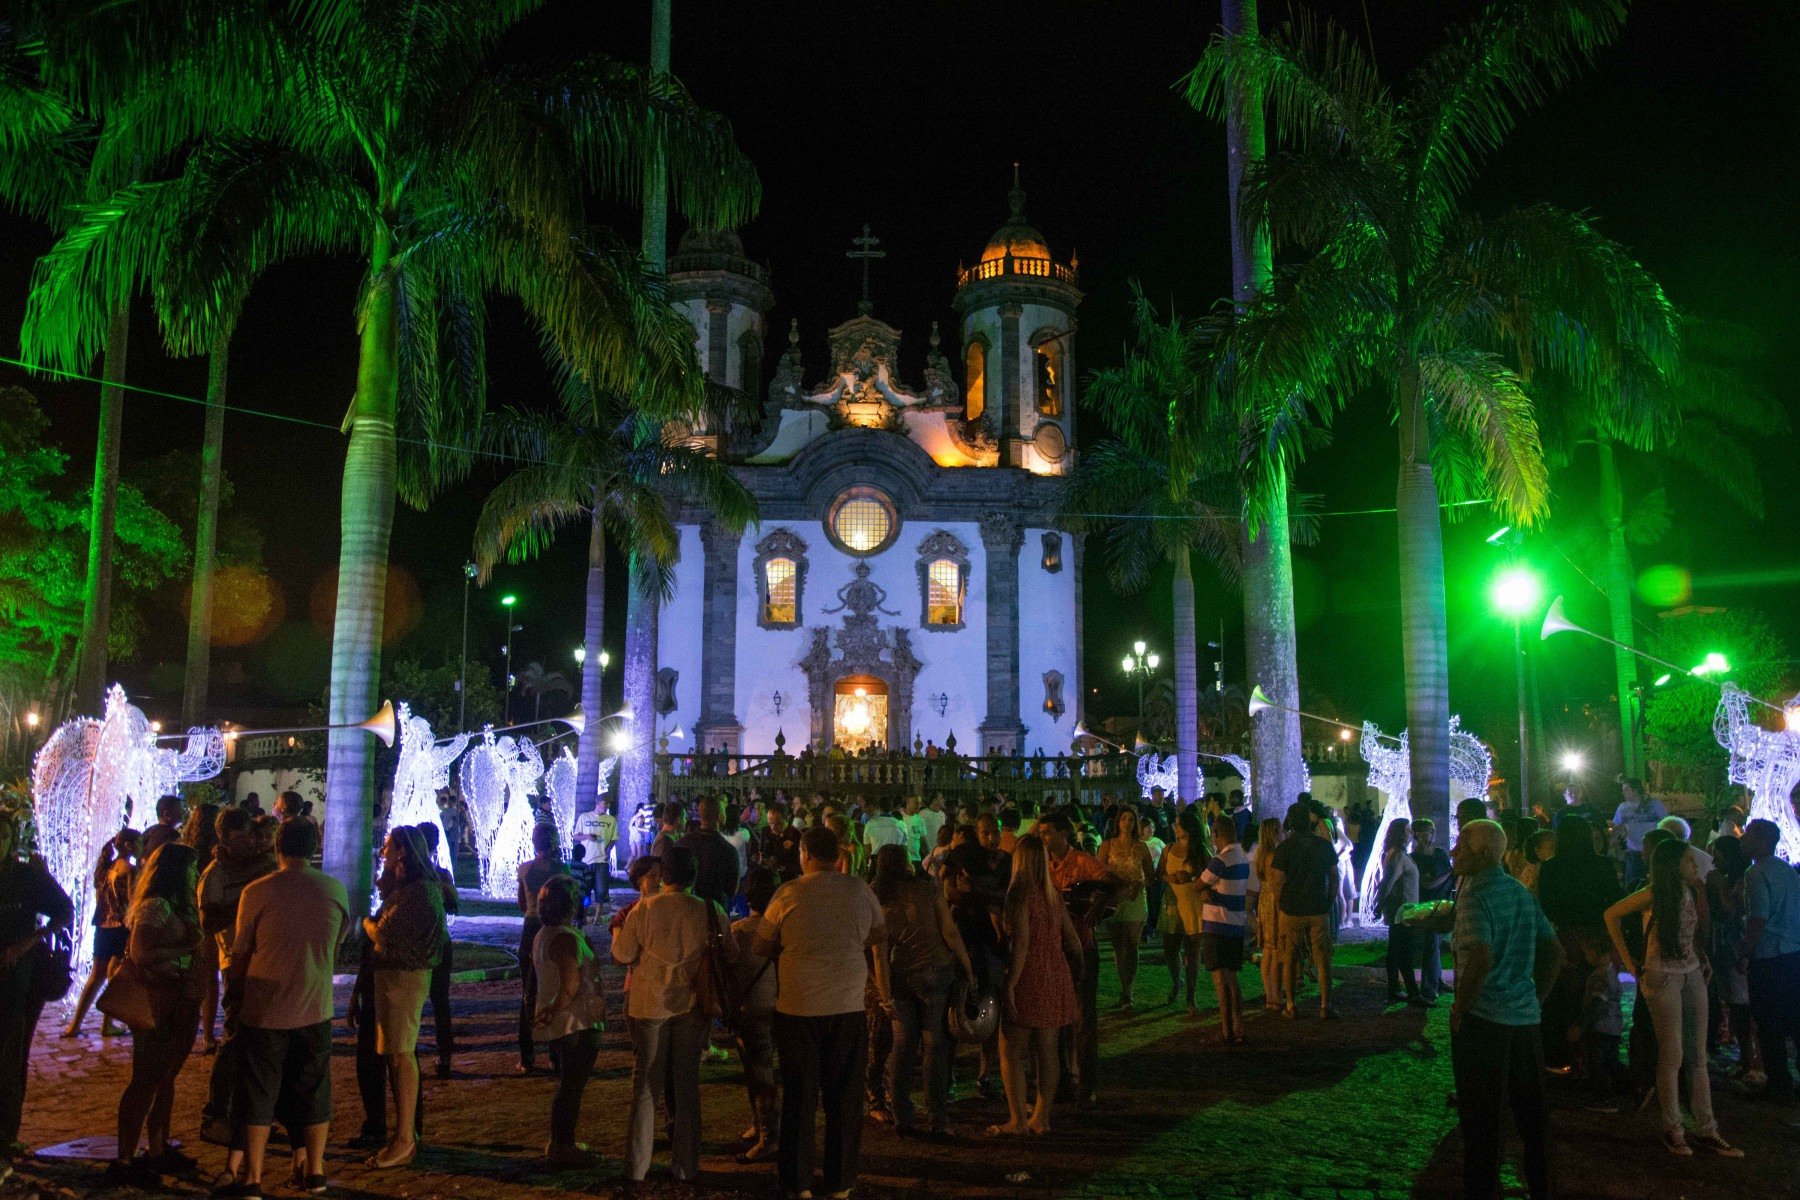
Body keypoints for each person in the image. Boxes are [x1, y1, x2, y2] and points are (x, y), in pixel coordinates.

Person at [219, 817, 350, 1199]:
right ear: (314, 847)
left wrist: (235, 991)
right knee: (312, 1088)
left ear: (278, 847)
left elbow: (241, 952)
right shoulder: (334, 891)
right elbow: (337, 943)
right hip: (314, 1004)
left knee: (258, 1090)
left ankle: (254, 1175)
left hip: (265, 1007)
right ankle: (315, 1169)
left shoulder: (258, 892)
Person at [753, 825, 887, 1200]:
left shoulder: (789, 892)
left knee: (799, 1097)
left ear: (805, 853)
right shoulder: (859, 890)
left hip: (798, 1007)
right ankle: (841, 1181)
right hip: (846, 1006)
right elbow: (878, 934)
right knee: (844, 1099)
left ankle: (798, 1183)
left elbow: (762, 945)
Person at [1604, 837, 1742, 1157]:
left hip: (1691, 972)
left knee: (1695, 1054)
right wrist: (1628, 961)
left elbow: (1688, 931)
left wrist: (1700, 956)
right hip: (1662, 975)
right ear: (1672, 865)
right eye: (1688, 861)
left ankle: (1706, 1129)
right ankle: (1673, 1128)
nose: (1695, 866)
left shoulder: (1691, 890)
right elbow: (1611, 914)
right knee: (1674, 1053)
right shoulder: (1654, 894)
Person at [1448, 820, 1564, 1200]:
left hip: (1485, 1022)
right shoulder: (1520, 892)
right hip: (1525, 1020)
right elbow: (1554, 950)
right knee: (1533, 1123)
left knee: (1482, 1124)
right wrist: (1537, 1000)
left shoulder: (1473, 895)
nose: (1454, 852)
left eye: (1461, 846)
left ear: (1482, 853)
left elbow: (1479, 957)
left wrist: (1460, 1007)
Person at [612, 844, 729, 1182]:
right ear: (695, 875)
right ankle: (686, 1165)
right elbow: (730, 954)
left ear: (664, 874)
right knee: (686, 1086)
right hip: (692, 1006)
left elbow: (621, 954)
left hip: (649, 1003)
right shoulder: (710, 910)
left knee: (646, 1086)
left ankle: (637, 1166)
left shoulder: (644, 910)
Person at [107, 843, 205, 1187]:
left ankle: (158, 1148)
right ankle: (125, 1158)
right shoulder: (155, 906)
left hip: (175, 996)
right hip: (155, 999)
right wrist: (185, 948)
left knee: (165, 1077)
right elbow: (141, 952)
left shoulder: (175, 906)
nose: (195, 875)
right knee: (146, 1078)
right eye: (191, 870)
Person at [871, 845, 975, 1139]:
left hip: (900, 975)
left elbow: (879, 953)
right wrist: (966, 967)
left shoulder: (878, 898)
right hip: (935, 972)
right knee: (934, 1045)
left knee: (902, 1046)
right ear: (905, 864)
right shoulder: (928, 889)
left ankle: (902, 1117)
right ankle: (938, 1119)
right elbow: (950, 933)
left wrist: (884, 993)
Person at [359, 826, 445, 1169]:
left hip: (404, 978)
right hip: (393, 975)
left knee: (400, 1054)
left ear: (404, 852)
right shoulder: (410, 889)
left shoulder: (420, 891)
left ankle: (405, 1136)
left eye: (389, 846)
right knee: (395, 1054)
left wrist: (366, 924)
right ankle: (403, 1134)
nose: (383, 852)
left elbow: (384, 931)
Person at [198, 806, 281, 1146]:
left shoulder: (256, 866)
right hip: (235, 962)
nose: (249, 842)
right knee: (232, 1043)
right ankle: (215, 1116)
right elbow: (208, 922)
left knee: (256, 1047)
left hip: (262, 960)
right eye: (241, 837)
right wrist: (248, 898)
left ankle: (250, 1117)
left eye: (251, 836)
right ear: (225, 840)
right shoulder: (216, 874)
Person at [0, 817, 73, 1187]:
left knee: (10, 1058)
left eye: (3, 835)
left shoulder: (26, 877)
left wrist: (32, 938)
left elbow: (64, 910)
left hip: (17, 983)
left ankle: (5, 1138)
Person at [992, 834, 1081, 1137]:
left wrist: (1011, 986)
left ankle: (1017, 1118)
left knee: (1010, 1049)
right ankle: (1042, 1116)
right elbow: (1073, 940)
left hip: (1031, 972)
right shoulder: (1052, 892)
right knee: (1048, 1050)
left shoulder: (1019, 893)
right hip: (1055, 970)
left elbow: (1022, 946)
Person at [532, 876, 605, 1168]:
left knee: (568, 1084)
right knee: (571, 1086)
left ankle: (561, 1140)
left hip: (566, 1022)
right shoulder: (564, 938)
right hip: (575, 1022)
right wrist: (555, 1007)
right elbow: (571, 982)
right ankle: (564, 1144)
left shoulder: (544, 934)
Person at [1039, 811, 1107, 1104]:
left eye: (1048, 833)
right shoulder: (1041, 865)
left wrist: (1099, 906)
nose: (1043, 838)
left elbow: (1114, 884)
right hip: (1052, 949)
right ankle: (1062, 1080)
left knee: (1083, 1018)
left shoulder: (1083, 863)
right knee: (1056, 1017)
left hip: (1081, 947)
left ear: (1063, 834)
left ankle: (1087, 1084)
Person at [1740, 817, 1800, 1102]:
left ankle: (1778, 1083)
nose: (1743, 840)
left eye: (1749, 835)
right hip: (1793, 953)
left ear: (1761, 841)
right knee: (1794, 1018)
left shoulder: (1755, 874)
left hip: (1768, 956)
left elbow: (1758, 918)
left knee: (1769, 1022)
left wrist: (1745, 952)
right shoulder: (1788, 870)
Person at [64, 828, 139, 1037]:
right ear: (129, 846)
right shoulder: (130, 870)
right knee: (114, 976)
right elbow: (132, 901)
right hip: (120, 927)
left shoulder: (105, 868)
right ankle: (107, 1023)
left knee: (96, 976)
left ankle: (75, 1023)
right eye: (138, 843)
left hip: (102, 927)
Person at [1270, 798, 1340, 1020]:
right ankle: (1324, 1005)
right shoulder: (1323, 845)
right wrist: (1329, 901)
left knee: (1289, 958)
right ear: (1309, 820)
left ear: (1290, 822)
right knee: (1322, 958)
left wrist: (1281, 904)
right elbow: (1334, 876)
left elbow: (1277, 881)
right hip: (1318, 907)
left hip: (1292, 909)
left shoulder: (1285, 848)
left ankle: (1290, 1005)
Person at [730, 867, 782, 1164]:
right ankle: (762, 1126)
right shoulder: (782, 929)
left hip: (750, 1010)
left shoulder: (738, 932)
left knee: (758, 1073)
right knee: (761, 1072)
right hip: (779, 1004)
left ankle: (768, 1137)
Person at [516, 823, 571, 1074]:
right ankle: (556, 1053)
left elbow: (521, 902)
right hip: (556, 930)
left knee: (529, 993)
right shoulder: (563, 869)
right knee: (557, 989)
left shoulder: (525, 869)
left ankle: (527, 1056)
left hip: (531, 928)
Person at [1197, 815, 1252, 1042]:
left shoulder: (1221, 860)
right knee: (1232, 979)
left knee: (1220, 980)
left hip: (1218, 924)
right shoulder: (1243, 858)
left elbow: (1198, 885)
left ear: (1217, 834)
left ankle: (1226, 1029)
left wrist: (1204, 892)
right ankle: (1238, 1028)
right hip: (1236, 924)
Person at [1094, 808, 1155, 1011]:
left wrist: (1141, 883)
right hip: (1114, 898)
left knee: (1132, 944)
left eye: (1131, 819)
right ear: (1117, 822)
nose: (1127, 822)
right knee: (1119, 946)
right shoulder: (1107, 846)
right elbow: (1098, 872)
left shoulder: (1142, 848)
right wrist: (1113, 883)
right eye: (1123, 818)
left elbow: (1150, 877)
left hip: (1135, 899)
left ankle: (1129, 989)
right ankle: (1124, 986)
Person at [417, 823, 458, 1079]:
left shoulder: (409, 875)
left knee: (415, 1001)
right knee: (440, 1002)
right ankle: (445, 1056)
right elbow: (454, 906)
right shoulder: (440, 875)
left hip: (419, 945)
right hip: (440, 942)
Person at [1374, 819, 1421, 1006]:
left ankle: (1397, 990)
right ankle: (1410, 992)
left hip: (1403, 910)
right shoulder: (1399, 857)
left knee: (1396, 952)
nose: (1411, 834)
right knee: (1403, 952)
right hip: (1402, 912)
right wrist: (1379, 905)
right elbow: (1388, 882)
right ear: (1401, 834)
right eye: (1408, 830)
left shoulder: (1400, 855)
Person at [1410, 818, 1454, 1004]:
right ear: (1417, 834)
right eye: (1428, 830)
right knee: (1430, 943)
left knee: (1434, 943)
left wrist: (1442, 877)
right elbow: (1426, 883)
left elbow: (1444, 876)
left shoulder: (1440, 854)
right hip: (1426, 905)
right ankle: (1429, 986)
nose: (1432, 834)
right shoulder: (1415, 858)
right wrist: (1446, 875)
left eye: (1432, 830)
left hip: (1442, 904)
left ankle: (1436, 981)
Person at [678, 795, 742, 911]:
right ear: (719, 815)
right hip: (715, 911)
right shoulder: (728, 850)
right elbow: (732, 890)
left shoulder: (682, 843)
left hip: (686, 908)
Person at [1250, 816, 1285, 1012]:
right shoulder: (1274, 856)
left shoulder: (1260, 855)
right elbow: (1277, 884)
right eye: (1279, 829)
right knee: (1274, 951)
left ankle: (1270, 995)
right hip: (1273, 902)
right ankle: (1274, 995)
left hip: (1264, 900)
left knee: (1268, 951)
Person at [1612, 778, 1667, 889]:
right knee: (1633, 885)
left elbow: (1667, 823)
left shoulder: (1655, 805)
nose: (1623, 793)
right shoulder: (1622, 808)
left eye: (1626, 789)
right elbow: (1616, 828)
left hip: (1654, 851)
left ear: (1636, 790)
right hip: (1633, 852)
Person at [751, 802, 802, 880]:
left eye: (778, 824)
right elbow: (762, 852)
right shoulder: (765, 831)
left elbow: (798, 863)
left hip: (788, 879)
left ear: (786, 819)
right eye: (770, 823)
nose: (773, 827)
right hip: (768, 877)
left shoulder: (796, 835)